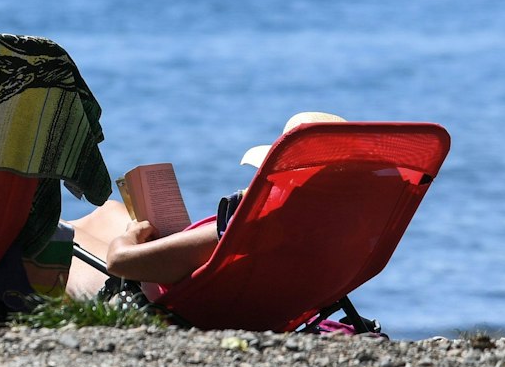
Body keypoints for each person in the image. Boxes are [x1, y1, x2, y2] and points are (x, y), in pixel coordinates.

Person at [63, 111, 345, 298]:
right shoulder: (335, 229)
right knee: (111, 209)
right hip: (251, 291)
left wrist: (129, 237)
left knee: (64, 234)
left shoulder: (260, 222)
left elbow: (119, 261)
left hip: (173, 293)